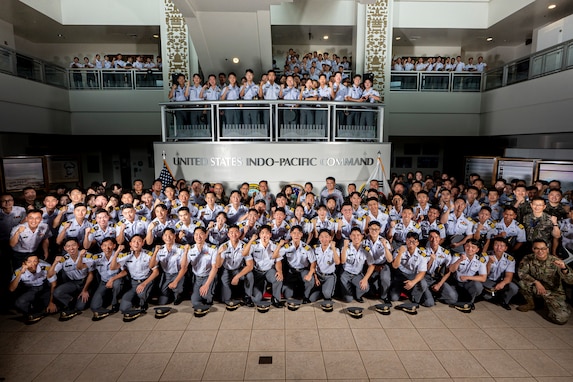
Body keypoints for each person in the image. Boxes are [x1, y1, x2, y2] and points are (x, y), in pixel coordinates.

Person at [517, 239, 573, 324]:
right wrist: (536, 282)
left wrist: (564, 269)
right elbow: (521, 273)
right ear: (533, 249)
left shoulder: (555, 261)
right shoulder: (528, 258)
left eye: (543, 249)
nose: (540, 251)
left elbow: (571, 281)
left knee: (561, 319)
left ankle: (551, 306)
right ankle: (531, 304)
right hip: (537, 288)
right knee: (522, 283)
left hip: (554, 292)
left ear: (547, 249)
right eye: (537, 248)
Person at [111, 235, 159, 319]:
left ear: (143, 243)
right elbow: (113, 267)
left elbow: (156, 272)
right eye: (134, 241)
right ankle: (136, 299)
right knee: (123, 308)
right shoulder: (127, 255)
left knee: (141, 294)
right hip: (133, 283)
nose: (136, 244)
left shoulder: (148, 254)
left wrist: (144, 284)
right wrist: (116, 253)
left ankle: (143, 302)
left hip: (146, 281)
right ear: (130, 244)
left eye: (139, 241)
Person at [48, 238, 94, 320]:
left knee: (80, 307)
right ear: (65, 248)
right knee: (57, 292)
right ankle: (72, 303)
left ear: (78, 245)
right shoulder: (63, 259)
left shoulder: (87, 255)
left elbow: (91, 275)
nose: (71, 248)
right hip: (73, 283)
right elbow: (50, 275)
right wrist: (55, 262)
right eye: (68, 246)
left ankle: (75, 306)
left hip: (86, 283)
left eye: (73, 245)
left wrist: (85, 290)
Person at [243, 225, 283, 308]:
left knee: (278, 278)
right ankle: (248, 296)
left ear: (271, 234)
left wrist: (279, 271)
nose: (265, 235)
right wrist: (251, 241)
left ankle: (276, 299)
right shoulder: (254, 244)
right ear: (259, 235)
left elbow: (278, 261)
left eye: (267, 233)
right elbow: (245, 253)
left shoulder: (275, 245)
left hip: (269, 271)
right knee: (257, 299)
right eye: (262, 233)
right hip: (257, 272)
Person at [9, 254, 58, 323]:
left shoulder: (46, 267)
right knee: (19, 303)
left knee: (53, 307)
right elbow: (11, 289)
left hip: (45, 288)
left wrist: (51, 302)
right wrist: (20, 273)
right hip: (31, 290)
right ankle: (34, 313)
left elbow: (53, 284)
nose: (33, 264)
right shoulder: (18, 271)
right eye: (29, 262)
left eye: (35, 261)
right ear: (24, 263)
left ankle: (38, 312)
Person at [87, 237, 126, 319]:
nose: (107, 248)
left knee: (117, 284)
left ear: (114, 246)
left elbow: (125, 271)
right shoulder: (96, 257)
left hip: (116, 279)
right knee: (94, 307)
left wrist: (112, 279)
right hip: (104, 281)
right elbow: (82, 267)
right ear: (101, 247)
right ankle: (108, 299)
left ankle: (115, 303)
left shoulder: (120, 255)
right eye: (104, 245)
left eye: (109, 245)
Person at [275, 225, 316, 303]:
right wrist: (279, 271)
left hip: (303, 270)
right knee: (287, 294)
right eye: (294, 233)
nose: (296, 235)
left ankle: (306, 297)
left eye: (298, 233)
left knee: (310, 281)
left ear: (301, 234)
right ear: (290, 234)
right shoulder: (287, 247)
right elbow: (277, 257)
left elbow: (313, 262)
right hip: (291, 271)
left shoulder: (307, 248)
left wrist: (310, 274)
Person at [216, 224, 254, 306]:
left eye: (236, 232)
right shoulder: (223, 246)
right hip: (226, 270)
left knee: (249, 275)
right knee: (225, 299)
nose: (234, 234)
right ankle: (228, 295)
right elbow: (218, 265)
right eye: (231, 232)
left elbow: (250, 265)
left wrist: (237, 277)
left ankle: (248, 297)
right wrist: (219, 254)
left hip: (239, 269)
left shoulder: (244, 246)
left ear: (240, 233)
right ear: (228, 234)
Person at [150, 228, 189, 305]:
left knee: (177, 292)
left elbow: (184, 267)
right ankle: (170, 294)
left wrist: (175, 281)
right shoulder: (159, 249)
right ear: (162, 237)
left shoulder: (181, 249)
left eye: (170, 235)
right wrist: (155, 253)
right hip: (166, 275)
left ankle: (178, 295)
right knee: (162, 301)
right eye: (165, 235)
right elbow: (152, 265)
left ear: (175, 236)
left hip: (178, 274)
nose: (168, 237)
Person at [389, 232, 428, 304]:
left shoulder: (422, 254)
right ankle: (403, 292)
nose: (411, 243)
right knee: (393, 298)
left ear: (417, 243)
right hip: (400, 276)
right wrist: (400, 253)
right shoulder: (399, 250)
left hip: (413, 276)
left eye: (414, 241)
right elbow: (395, 266)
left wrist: (413, 282)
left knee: (423, 284)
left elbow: (422, 272)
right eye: (409, 240)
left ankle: (414, 300)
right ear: (406, 241)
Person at [422, 230, 457, 306]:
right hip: (425, 278)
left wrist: (439, 284)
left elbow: (449, 271)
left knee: (453, 298)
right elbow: (424, 270)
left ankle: (435, 294)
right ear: (428, 238)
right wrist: (431, 260)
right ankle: (428, 295)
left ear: (440, 239)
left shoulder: (445, 253)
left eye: (436, 237)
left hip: (438, 278)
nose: (434, 240)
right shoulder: (423, 251)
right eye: (431, 237)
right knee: (429, 303)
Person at [449, 239, 487, 309]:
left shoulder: (480, 260)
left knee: (478, 286)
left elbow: (483, 278)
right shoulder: (457, 255)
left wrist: (467, 277)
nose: (470, 249)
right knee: (452, 297)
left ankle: (469, 302)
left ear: (477, 250)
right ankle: (467, 302)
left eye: (473, 247)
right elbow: (451, 270)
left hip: (468, 283)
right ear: (464, 246)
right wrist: (459, 260)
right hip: (456, 283)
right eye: (467, 246)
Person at [482, 237, 518, 310]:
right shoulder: (486, 256)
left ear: (505, 248)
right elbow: (484, 275)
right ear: (493, 246)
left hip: (500, 280)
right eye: (496, 245)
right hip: (486, 280)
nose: (498, 248)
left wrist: (503, 283)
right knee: (487, 296)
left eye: (501, 246)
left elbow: (509, 276)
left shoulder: (510, 259)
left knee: (514, 288)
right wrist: (489, 263)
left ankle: (504, 301)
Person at [187, 227, 219, 307]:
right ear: (193, 236)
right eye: (196, 234)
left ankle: (210, 293)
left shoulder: (212, 249)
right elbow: (184, 266)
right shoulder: (190, 249)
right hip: (197, 277)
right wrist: (185, 253)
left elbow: (214, 267)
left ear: (205, 235)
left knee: (206, 296)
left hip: (208, 276)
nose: (198, 237)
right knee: (195, 301)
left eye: (201, 234)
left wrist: (206, 284)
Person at [363, 221, 393, 303]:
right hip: (370, 266)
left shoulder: (384, 241)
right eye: (371, 229)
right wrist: (374, 267)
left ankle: (384, 296)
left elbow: (390, 260)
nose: (374, 231)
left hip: (383, 265)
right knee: (371, 290)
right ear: (368, 230)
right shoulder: (364, 242)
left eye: (376, 229)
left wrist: (385, 247)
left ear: (380, 230)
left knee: (385, 278)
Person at [339, 227, 370, 303]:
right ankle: (348, 291)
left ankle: (358, 295)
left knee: (365, 288)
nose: (356, 237)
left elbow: (372, 265)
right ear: (350, 236)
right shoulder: (346, 247)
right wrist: (345, 247)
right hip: (345, 274)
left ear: (362, 236)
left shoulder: (366, 248)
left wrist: (365, 279)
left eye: (358, 235)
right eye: (353, 235)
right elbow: (342, 261)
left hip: (357, 274)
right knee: (348, 299)